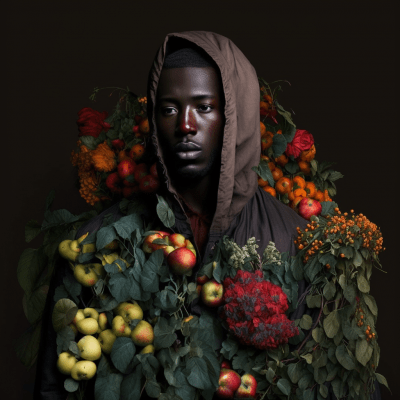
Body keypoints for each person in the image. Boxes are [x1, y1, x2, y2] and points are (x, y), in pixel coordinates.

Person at [34, 31, 381, 399]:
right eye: (169, 109)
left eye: (204, 107)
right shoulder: (100, 243)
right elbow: (53, 387)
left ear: (236, 119)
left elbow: (345, 385)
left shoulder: (298, 243)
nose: (185, 125)